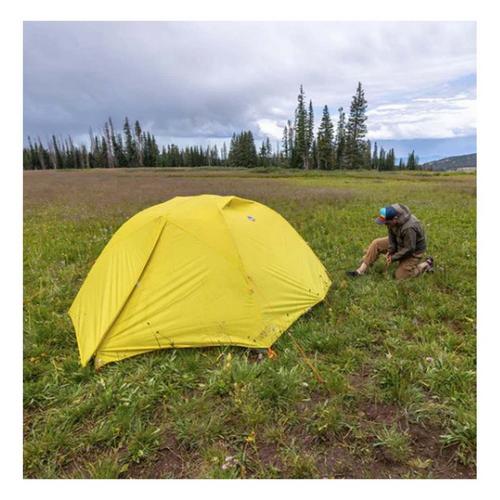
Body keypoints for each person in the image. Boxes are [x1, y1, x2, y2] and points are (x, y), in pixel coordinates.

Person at [346, 204, 434, 280]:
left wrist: (393, 257)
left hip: (414, 251)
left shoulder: (409, 228)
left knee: (400, 276)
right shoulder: (392, 220)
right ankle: (360, 271)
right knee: (376, 243)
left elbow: (410, 248)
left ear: (395, 219)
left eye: (386, 223)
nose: (385, 225)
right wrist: (391, 250)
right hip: (400, 242)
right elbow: (391, 235)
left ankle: (426, 264)